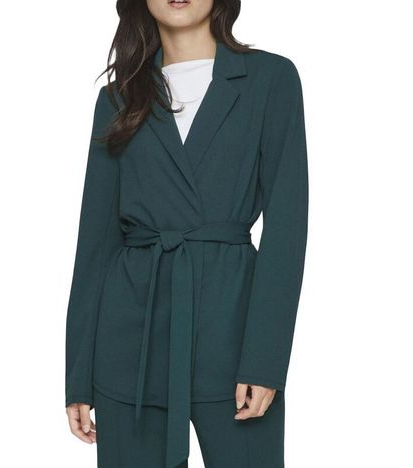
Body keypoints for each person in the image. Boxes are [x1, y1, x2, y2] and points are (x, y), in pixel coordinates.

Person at [65, 0, 309, 466]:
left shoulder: (270, 79)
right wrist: (79, 374)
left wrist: (265, 360)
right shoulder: (118, 97)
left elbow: (287, 228)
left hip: (233, 333)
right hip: (131, 343)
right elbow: (95, 240)